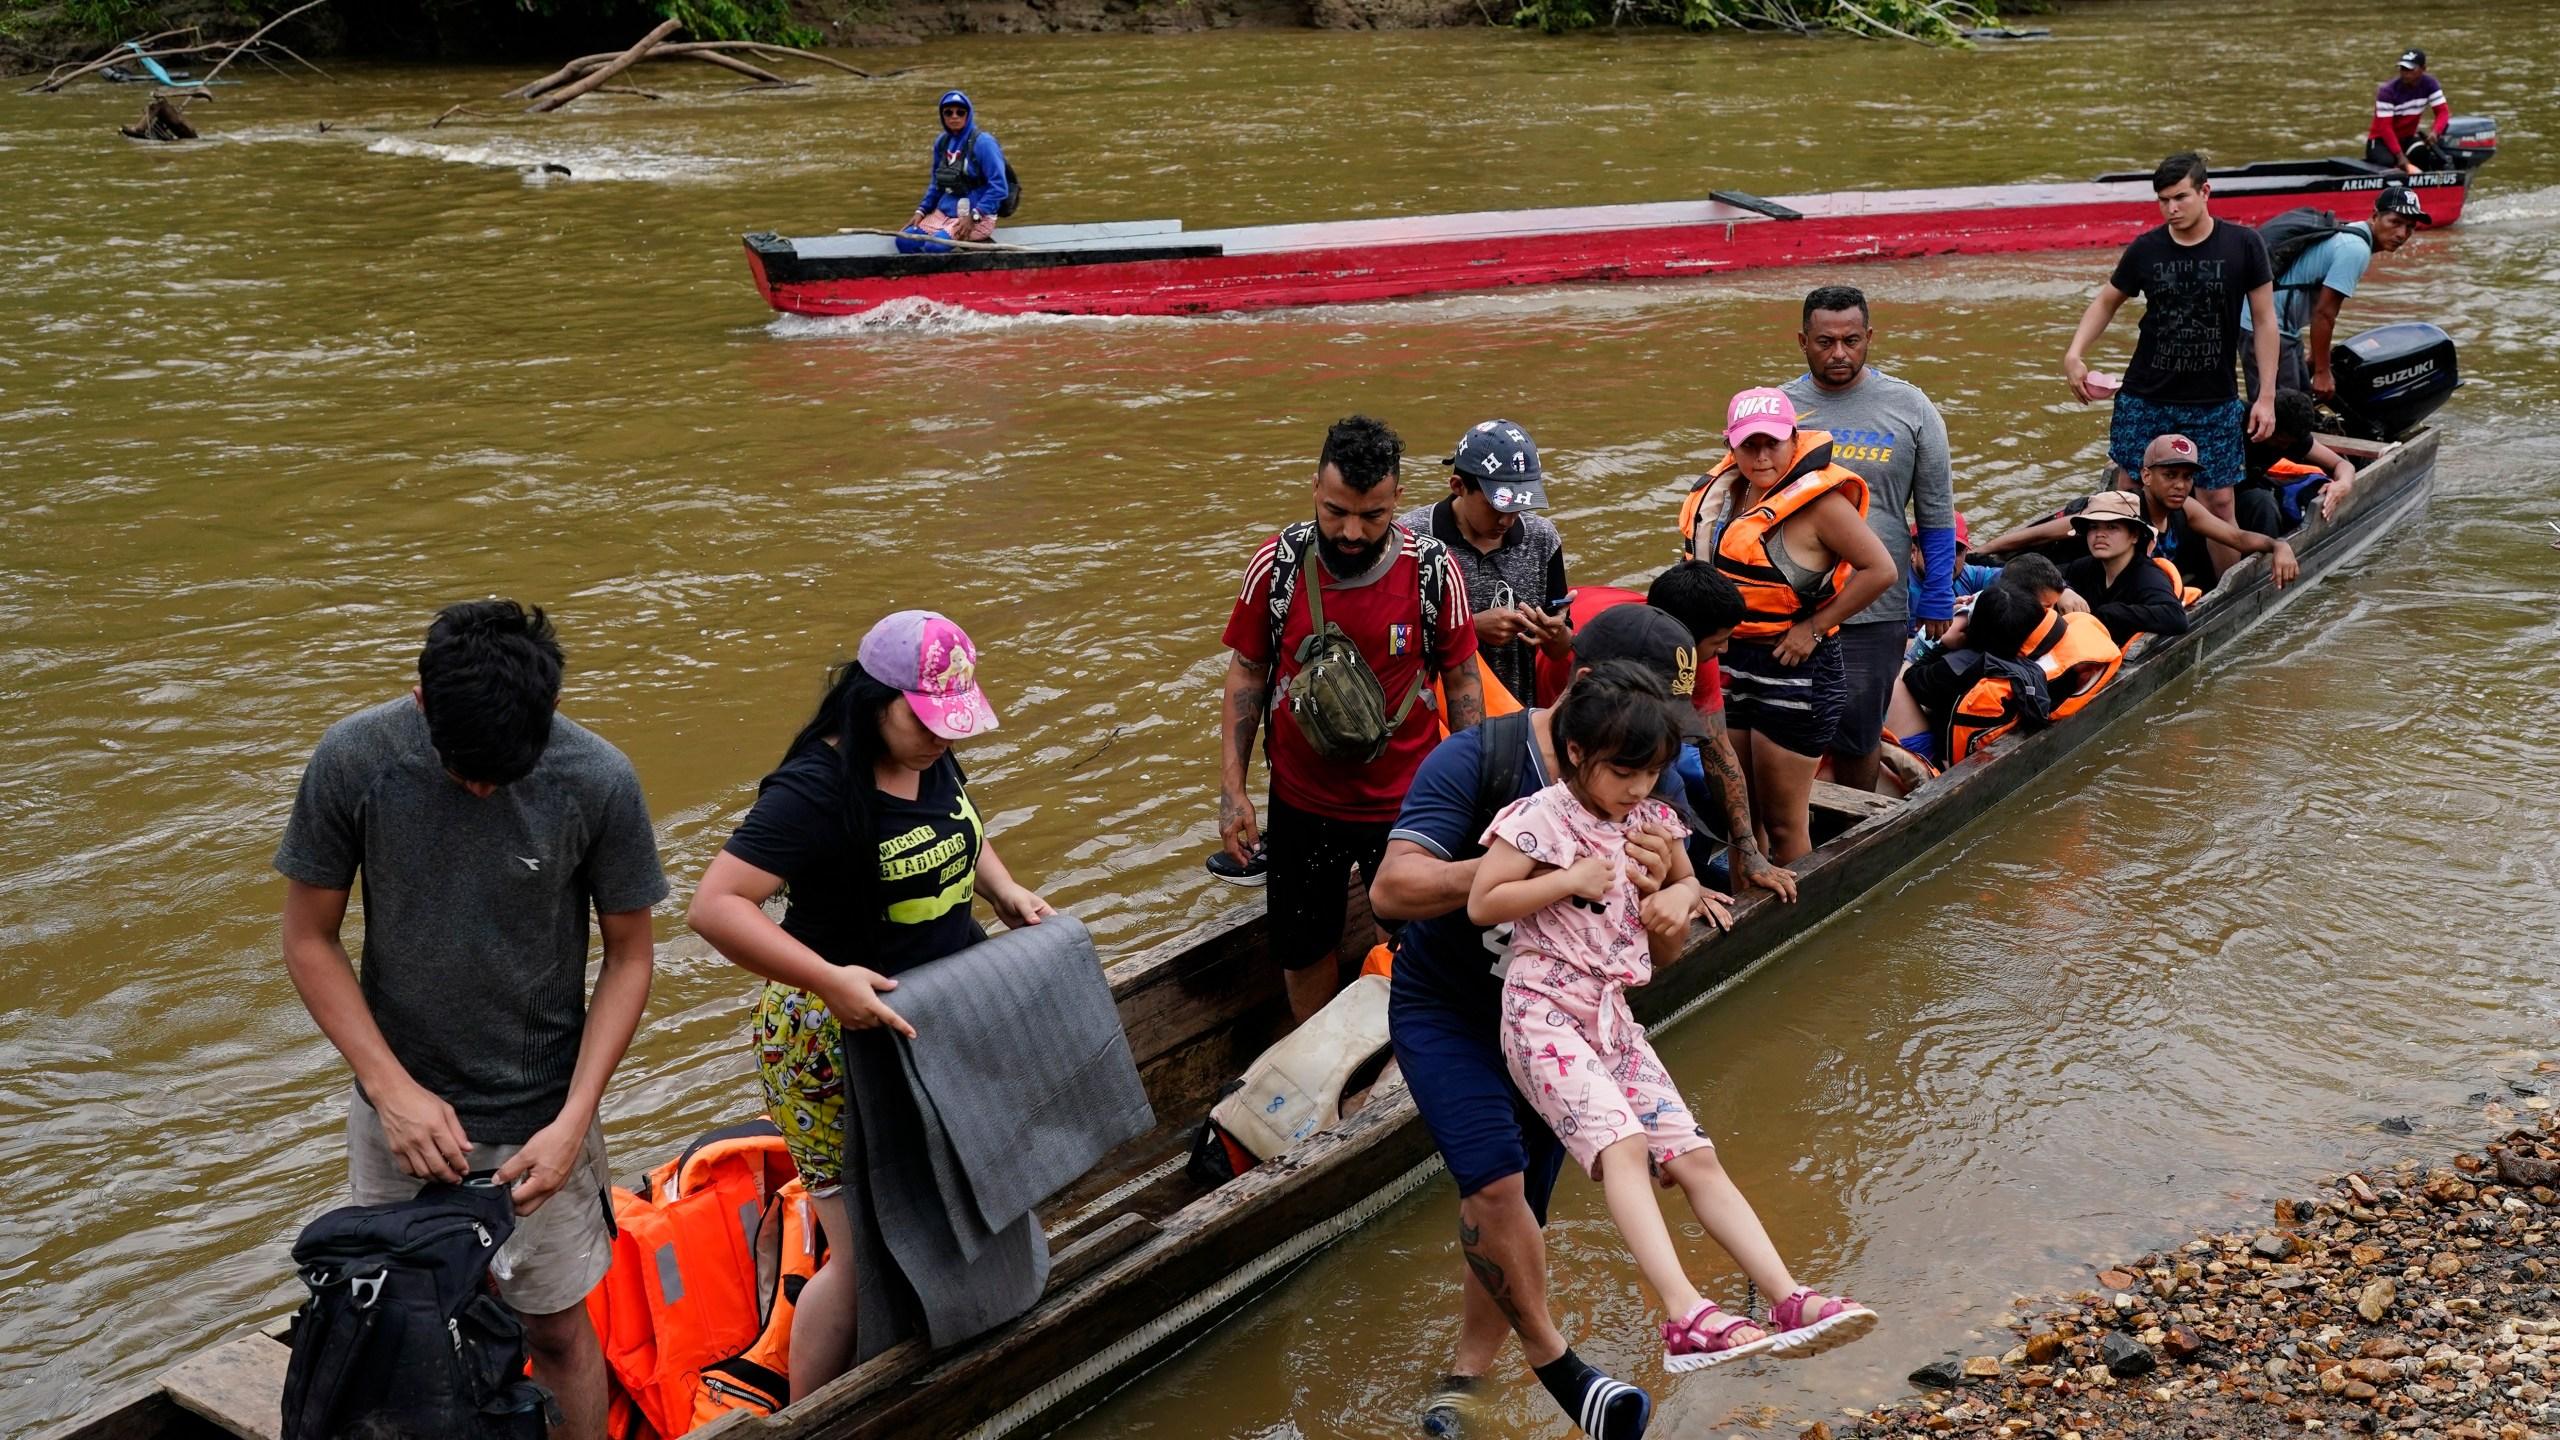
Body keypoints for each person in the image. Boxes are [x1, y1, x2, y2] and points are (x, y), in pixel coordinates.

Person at [276, 601, 668, 1440]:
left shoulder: (597, 780)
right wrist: (389, 1091)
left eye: (505, 774)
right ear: (420, 700)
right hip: (400, 1118)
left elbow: (630, 955)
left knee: (557, 1329)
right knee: (412, 1329)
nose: (484, 788)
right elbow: (308, 939)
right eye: (465, 774)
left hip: (543, 1124)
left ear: (549, 715)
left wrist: (575, 1121)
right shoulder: (356, 760)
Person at [1371, 604, 1742, 1440]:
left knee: (1520, 1207)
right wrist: (1540, 867)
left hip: (1565, 1019)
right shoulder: (1478, 759)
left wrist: (1673, 905)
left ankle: (1470, 1366)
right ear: (1581, 702)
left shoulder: (1643, 774)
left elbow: (1657, 946)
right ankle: (1562, 1370)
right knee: (1493, 1181)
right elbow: (1391, 891)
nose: (1645, 774)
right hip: (1452, 1009)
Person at [1469, 662, 1875, 1375]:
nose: (1638, 788)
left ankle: (1786, 1296)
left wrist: (1679, 899)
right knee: (1623, 1148)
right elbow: (1482, 901)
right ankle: (1686, 1313)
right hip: (1542, 1011)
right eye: (1623, 772)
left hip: (1612, 1016)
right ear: (1574, 754)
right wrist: (1565, 880)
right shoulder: (1539, 818)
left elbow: (1689, 886)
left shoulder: (1654, 819)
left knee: (1694, 1157)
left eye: (1650, 772)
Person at [687, 610, 1053, 1398]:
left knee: (962, 1198)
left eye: (951, 728)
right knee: (864, 1258)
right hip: (831, 1036)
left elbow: (962, 826)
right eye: (926, 724)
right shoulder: (815, 789)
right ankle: (813, 1413)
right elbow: (715, 906)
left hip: (935, 1021)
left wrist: (1005, 889)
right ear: (870, 702)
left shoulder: (930, 756)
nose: (941, 741)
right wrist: (826, 977)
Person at [1221, 415, 1482, 1025]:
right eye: (1337, 511)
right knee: (1302, 943)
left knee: (1430, 936)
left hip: (1411, 803)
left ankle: (1417, 1045)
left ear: (1399, 498)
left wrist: (1475, 790)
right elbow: (1247, 676)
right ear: (1315, 487)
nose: (1351, 531)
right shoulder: (1276, 568)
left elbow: (1463, 680)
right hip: (1302, 801)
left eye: (1372, 515)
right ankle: (1317, 1048)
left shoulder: (1433, 571)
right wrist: (1233, 792)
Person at [1678, 387, 1894, 865]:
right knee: (1738, 818)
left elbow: (1881, 570)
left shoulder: (1820, 504)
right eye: (1748, 445)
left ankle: (1791, 919)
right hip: (1728, 663)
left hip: (1795, 669)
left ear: (1793, 439)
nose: (1761, 456)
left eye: (1772, 443)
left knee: (1782, 824)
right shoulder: (1724, 494)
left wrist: (1814, 627)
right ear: (1729, 444)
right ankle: (1738, 916)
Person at [2062, 151, 2278, 581]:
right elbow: (2107, 300)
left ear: (2205, 192)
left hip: (2213, 399)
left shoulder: (2243, 245)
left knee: (2218, 501)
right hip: (2146, 394)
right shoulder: (2147, 249)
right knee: (2128, 497)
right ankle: (2125, 587)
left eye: (2180, 198)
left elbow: (2265, 321)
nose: (2172, 208)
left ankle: (2223, 595)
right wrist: (2074, 352)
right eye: (2163, 200)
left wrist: (2266, 396)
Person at [1783, 284, 1958, 791]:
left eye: (1852, 340)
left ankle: (1852, 821)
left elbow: (1935, 511)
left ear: (1870, 338)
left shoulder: (1911, 407)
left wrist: (1940, 593)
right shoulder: (1780, 408)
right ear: (1802, 340)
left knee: (1857, 730)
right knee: (1787, 724)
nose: (1839, 353)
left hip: (1874, 604)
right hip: (1790, 599)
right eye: (1824, 342)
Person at [1643, 560, 1799, 902]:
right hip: (1579, 737)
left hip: (1653, 728)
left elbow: (1718, 750)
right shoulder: (1603, 655)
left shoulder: (1700, 660)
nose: (1725, 650)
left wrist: (1749, 849)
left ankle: (1691, 871)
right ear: (1682, 640)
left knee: (1693, 788)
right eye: (1719, 641)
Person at [1404, 418, 1573, 709]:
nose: (1507, 521)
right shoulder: (1413, 539)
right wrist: (1470, 628)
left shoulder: (1541, 539)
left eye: (1519, 507)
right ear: (1458, 486)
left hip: (1516, 712)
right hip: (1434, 717)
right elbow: (1393, 640)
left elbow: (1559, 650)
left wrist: (1557, 634)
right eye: (1497, 507)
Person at [2241, 185, 2426, 402]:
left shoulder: (2350, 234)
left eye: (2410, 227)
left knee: (2299, 405)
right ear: (2375, 216)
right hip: (2265, 326)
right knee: (2282, 414)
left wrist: (2317, 359)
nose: (2402, 234)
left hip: (2275, 324)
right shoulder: (2355, 249)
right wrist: (2322, 372)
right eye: (2395, 222)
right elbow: (2324, 314)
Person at [2061, 491, 2192, 645]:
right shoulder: (2087, 566)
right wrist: (2062, 590)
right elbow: (2037, 569)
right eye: (2093, 527)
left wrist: (2110, 613)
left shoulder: (2147, 576)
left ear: (2134, 535)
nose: (2100, 535)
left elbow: (2176, 618)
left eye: (2112, 527)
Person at [900, 90, 1009, 254]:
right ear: (942, 116)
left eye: (960, 112)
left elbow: (999, 187)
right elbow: (936, 183)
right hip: (943, 214)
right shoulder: (942, 142)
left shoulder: (984, 143)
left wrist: (974, 216)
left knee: (934, 247)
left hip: (977, 216)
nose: (954, 116)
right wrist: (921, 211)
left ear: (968, 114)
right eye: (948, 112)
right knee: (905, 241)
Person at [2367, 49, 2452, 173]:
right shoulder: (2387, 92)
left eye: (2410, 70)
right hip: (2381, 141)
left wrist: (2435, 132)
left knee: (2423, 155)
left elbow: (2442, 112)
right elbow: (2385, 128)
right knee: (2388, 164)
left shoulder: (2430, 84)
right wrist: (2400, 156)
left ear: (2423, 69)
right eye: (2402, 69)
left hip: (2407, 138)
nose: (2405, 73)